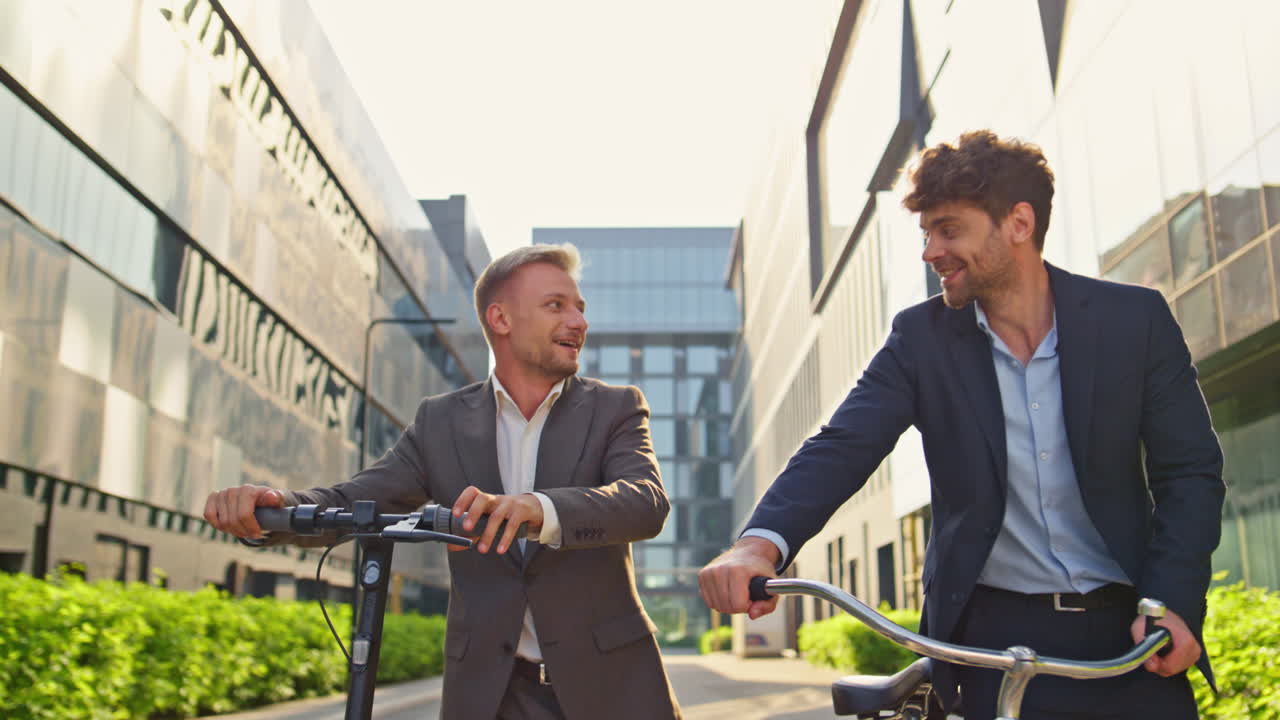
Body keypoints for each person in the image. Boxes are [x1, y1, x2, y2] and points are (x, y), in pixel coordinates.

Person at [698, 130, 1223, 720]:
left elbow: (1190, 473)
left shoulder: (1134, 320)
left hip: (1129, 634)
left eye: (949, 229)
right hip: (988, 642)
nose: (930, 251)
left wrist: (1172, 601)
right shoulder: (920, 340)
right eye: (927, 233)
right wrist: (757, 546)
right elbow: (842, 447)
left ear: (1018, 224)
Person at [204, 244, 682, 720]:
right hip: (490, 696)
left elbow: (645, 502)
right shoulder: (441, 421)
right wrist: (271, 508)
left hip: (613, 690)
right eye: (556, 305)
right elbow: (352, 501)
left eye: (580, 308)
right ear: (501, 319)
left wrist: (541, 509)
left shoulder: (615, 407)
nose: (579, 322)